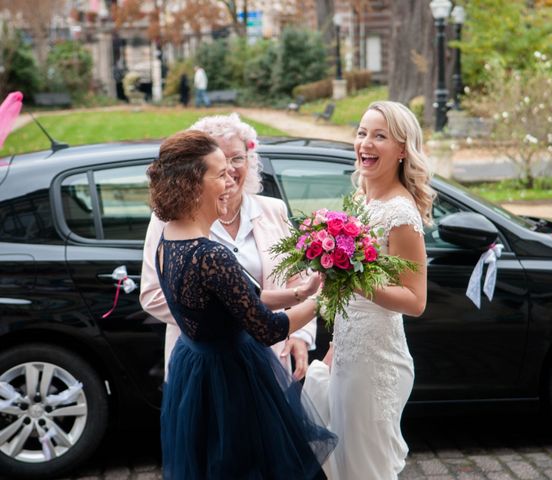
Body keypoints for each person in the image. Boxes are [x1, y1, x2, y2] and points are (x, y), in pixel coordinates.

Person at [147, 130, 337, 478]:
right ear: (192, 184)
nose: (231, 180)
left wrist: (301, 293)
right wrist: (324, 301)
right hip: (230, 380)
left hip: (195, 369)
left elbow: (236, 297)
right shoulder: (210, 254)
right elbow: (268, 327)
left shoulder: (169, 239)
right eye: (220, 174)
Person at [304, 101, 432, 480]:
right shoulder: (362, 201)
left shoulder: (401, 215)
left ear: (402, 149)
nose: (366, 143)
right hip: (346, 352)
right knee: (342, 463)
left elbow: (416, 300)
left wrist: (354, 280)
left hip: (376, 361)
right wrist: (333, 348)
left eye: (379, 136)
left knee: (365, 468)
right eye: (362, 133)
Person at [141, 113, 318, 381]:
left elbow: (295, 279)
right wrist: (234, 321)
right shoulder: (171, 222)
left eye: (237, 158)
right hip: (210, 365)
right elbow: (154, 295)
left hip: (269, 358)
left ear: (250, 159)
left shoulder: (274, 210)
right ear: (196, 173)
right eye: (221, 165)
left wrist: (300, 333)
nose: (231, 171)